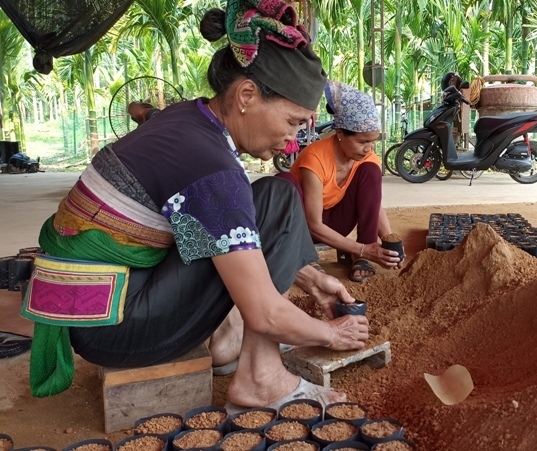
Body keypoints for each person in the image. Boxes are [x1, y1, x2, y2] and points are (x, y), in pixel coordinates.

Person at [26, 0, 368, 412]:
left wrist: (311, 280)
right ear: (246, 94)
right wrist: (331, 334)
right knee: (274, 202)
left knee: (271, 197)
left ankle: (226, 339)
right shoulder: (213, 169)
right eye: (294, 122)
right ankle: (261, 379)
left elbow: (194, 227)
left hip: (98, 308)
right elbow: (264, 313)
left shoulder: (188, 120)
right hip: (115, 330)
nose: (293, 141)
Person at [277, 81, 402, 282]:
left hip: (336, 225)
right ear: (341, 134)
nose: (369, 148)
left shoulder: (367, 159)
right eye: (362, 142)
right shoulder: (315, 158)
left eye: (373, 141)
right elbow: (313, 224)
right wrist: (364, 250)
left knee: (371, 170)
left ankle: (361, 254)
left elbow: (373, 205)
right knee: (284, 182)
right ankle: (303, 257)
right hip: (305, 230)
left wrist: (390, 244)